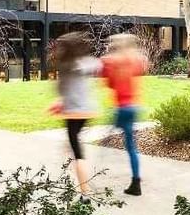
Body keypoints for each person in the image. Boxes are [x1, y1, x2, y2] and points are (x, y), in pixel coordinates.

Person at [54, 32, 100, 202]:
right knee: (71, 145)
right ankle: (77, 175)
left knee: (77, 152)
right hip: (88, 111)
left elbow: (61, 90)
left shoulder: (65, 67)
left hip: (73, 112)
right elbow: (99, 66)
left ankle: (85, 193)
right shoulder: (89, 63)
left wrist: (61, 101)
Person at [100, 33, 148, 196]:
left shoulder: (111, 62)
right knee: (131, 146)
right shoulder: (136, 60)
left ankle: (96, 168)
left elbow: (109, 83)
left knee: (107, 138)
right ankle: (136, 181)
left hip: (121, 107)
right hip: (134, 107)